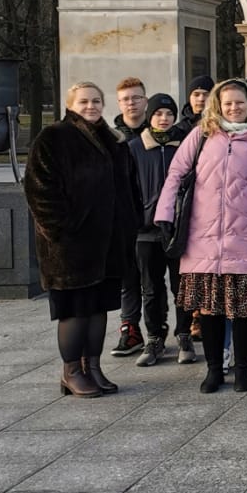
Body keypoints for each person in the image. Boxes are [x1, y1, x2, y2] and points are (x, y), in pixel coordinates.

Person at [156, 79, 247, 394]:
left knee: (245, 309)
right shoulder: (201, 135)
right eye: (227, 103)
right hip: (203, 236)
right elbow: (176, 174)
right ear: (218, 105)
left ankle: (242, 369)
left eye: (239, 102)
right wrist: (164, 215)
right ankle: (214, 369)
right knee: (209, 309)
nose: (233, 108)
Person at [23, 81, 141, 399]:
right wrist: (62, 231)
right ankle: (72, 371)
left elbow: (129, 188)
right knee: (74, 311)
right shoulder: (53, 137)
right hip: (70, 248)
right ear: (70, 105)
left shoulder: (114, 140)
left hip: (107, 245)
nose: (91, 106)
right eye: (84, 101)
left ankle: (94, 367)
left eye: (96, 101)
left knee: (98, 309)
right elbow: (39, 190)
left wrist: (129, 226)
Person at [128, 93, 191, 367]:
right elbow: (128, 186)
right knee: (151, 288)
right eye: (158, 114)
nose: (164, 118)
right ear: (149, 116)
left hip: (179, 229)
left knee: (183, 286)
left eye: (169, 113)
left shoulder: (186, 144)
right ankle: (154, 337)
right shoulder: (135, 147)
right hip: (146, 230)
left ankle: (184, 334)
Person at [109, 76, 151, 358]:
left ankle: (165, 329)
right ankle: (130, 328)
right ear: (119, 103)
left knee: (153, 281)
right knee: (128, 277)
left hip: (153, 216)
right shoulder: (112, 138)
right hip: (124, 218)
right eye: (126, 99)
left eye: (136, 97)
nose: (131, 103)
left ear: (145, 100)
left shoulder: (158, 130)